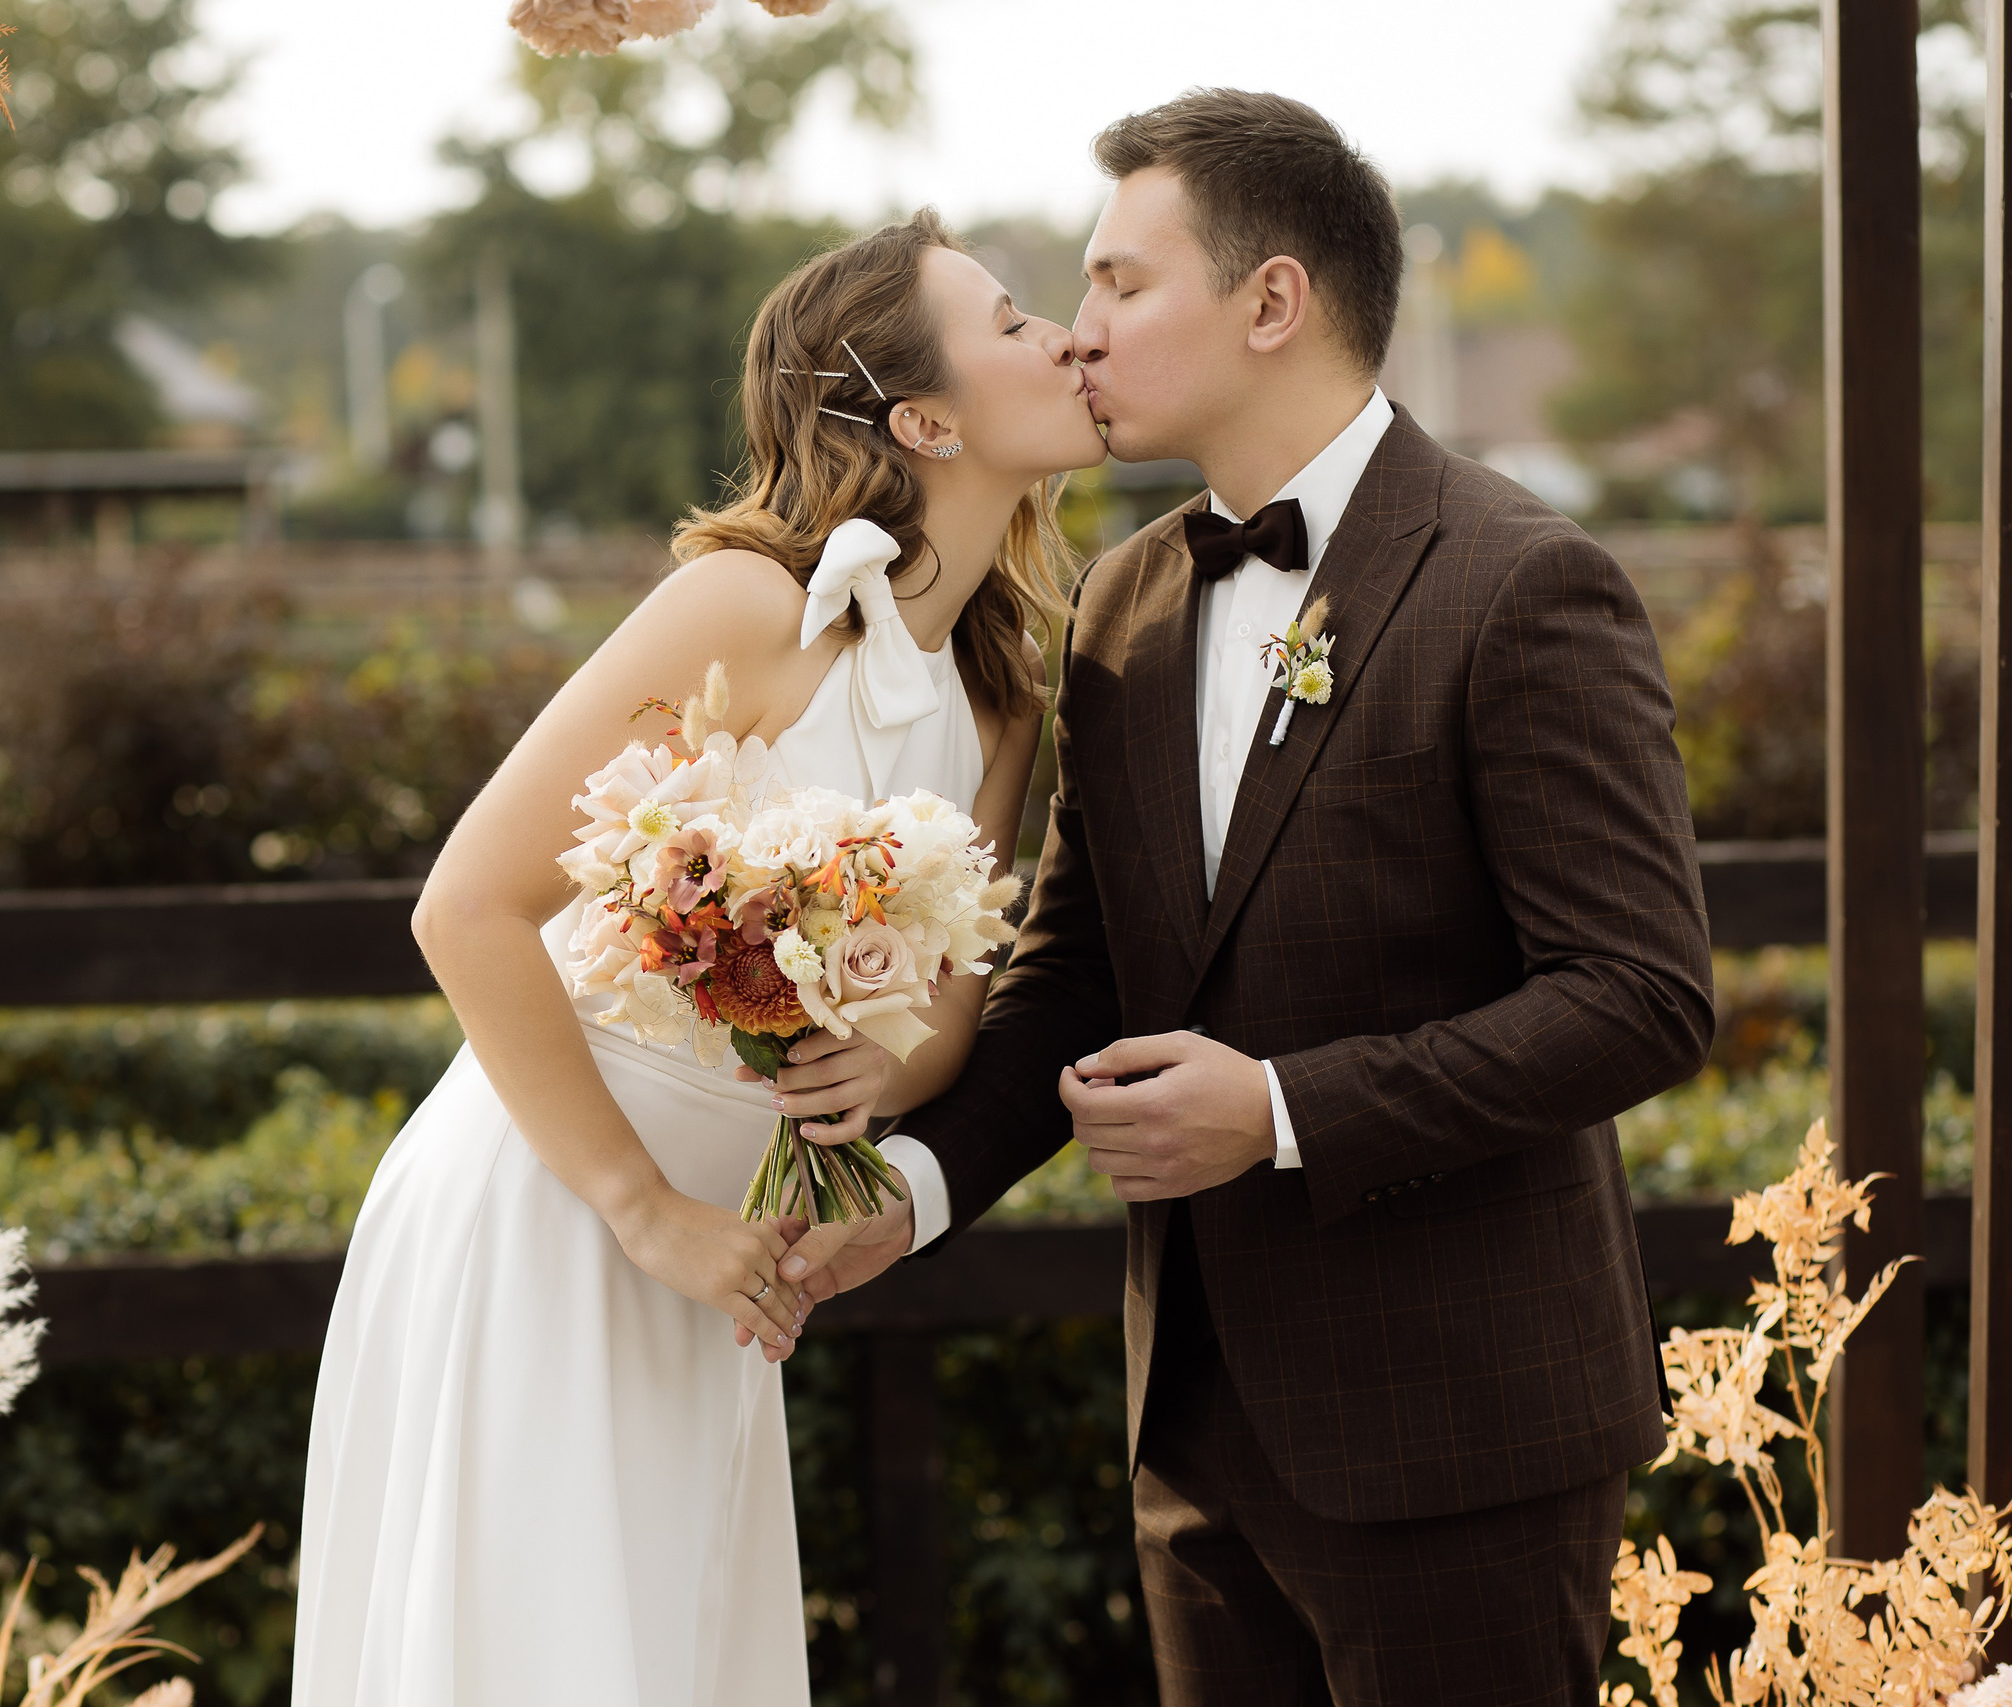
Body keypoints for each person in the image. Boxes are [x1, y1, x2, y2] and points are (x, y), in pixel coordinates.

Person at [785, 90, 1716, 1705]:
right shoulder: (1122, 602)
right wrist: (909, 1197)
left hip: (1463, 1435)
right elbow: (1076, 972)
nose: (1081, 332)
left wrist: (1282, 1111)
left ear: (1272, 300)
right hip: (1197, 1435)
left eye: (1121, 284)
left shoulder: (1521, 581)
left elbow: (1639, 996)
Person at [291, 209, 1103, 1706]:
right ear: (924, 420)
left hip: (728, 1267)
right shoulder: (749, 604)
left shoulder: (1001, 700)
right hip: (559, 1214)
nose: (1062, 336)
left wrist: (874, 1068)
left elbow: (945, 1023)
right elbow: (464, 909)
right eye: (1011, 320)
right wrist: (639, 1208)